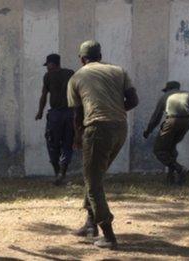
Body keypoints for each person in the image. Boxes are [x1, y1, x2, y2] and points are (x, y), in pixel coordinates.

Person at [67, 40, 139, 249]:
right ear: (100, 55)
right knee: (94, 176)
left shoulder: (77, 77)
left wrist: (77, 136)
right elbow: (133, 101)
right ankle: (90, 225)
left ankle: (108, 235)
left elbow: (78, 114)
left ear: (82, 59)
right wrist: (115, 110)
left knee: (93, 182)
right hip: (120, 128)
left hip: (97, 129)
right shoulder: (119, 71)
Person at [143, 81, 189, 185]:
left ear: (167, 89)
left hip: (172, 121)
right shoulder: (188, 94)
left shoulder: (165, 97)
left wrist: (148, 131)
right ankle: (171, 178)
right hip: (187, 121)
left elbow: (156, 117)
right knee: (171, 148)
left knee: (159, 150)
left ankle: (180, 169)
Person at [35, 54, 75, 185]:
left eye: (48, 65)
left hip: (56, 115)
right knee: (67, 144)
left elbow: (43, 95)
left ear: (52, 64)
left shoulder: (48, 76)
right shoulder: (70, 73)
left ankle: (57, 173)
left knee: (52, 144)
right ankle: (62, 174)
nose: (47, 68)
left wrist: (40, 112)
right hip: (70, 114)